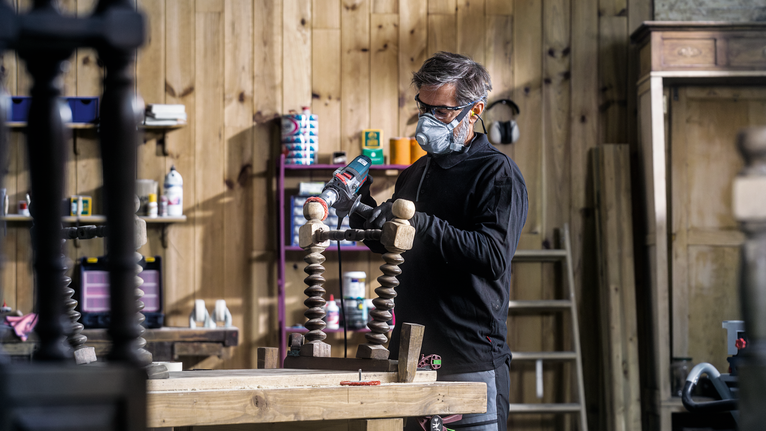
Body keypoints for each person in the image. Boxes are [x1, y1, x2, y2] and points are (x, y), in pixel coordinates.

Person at [351, 52, 528, 431]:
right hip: (411, 358)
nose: (428, 120)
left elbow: (493, 255)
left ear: (474, 110)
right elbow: (397, 246)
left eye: (442, 111)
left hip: (471, 360)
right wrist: (360, 209)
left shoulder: (497, 174)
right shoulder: (415, 174)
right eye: (423, 108)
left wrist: (422, 221)